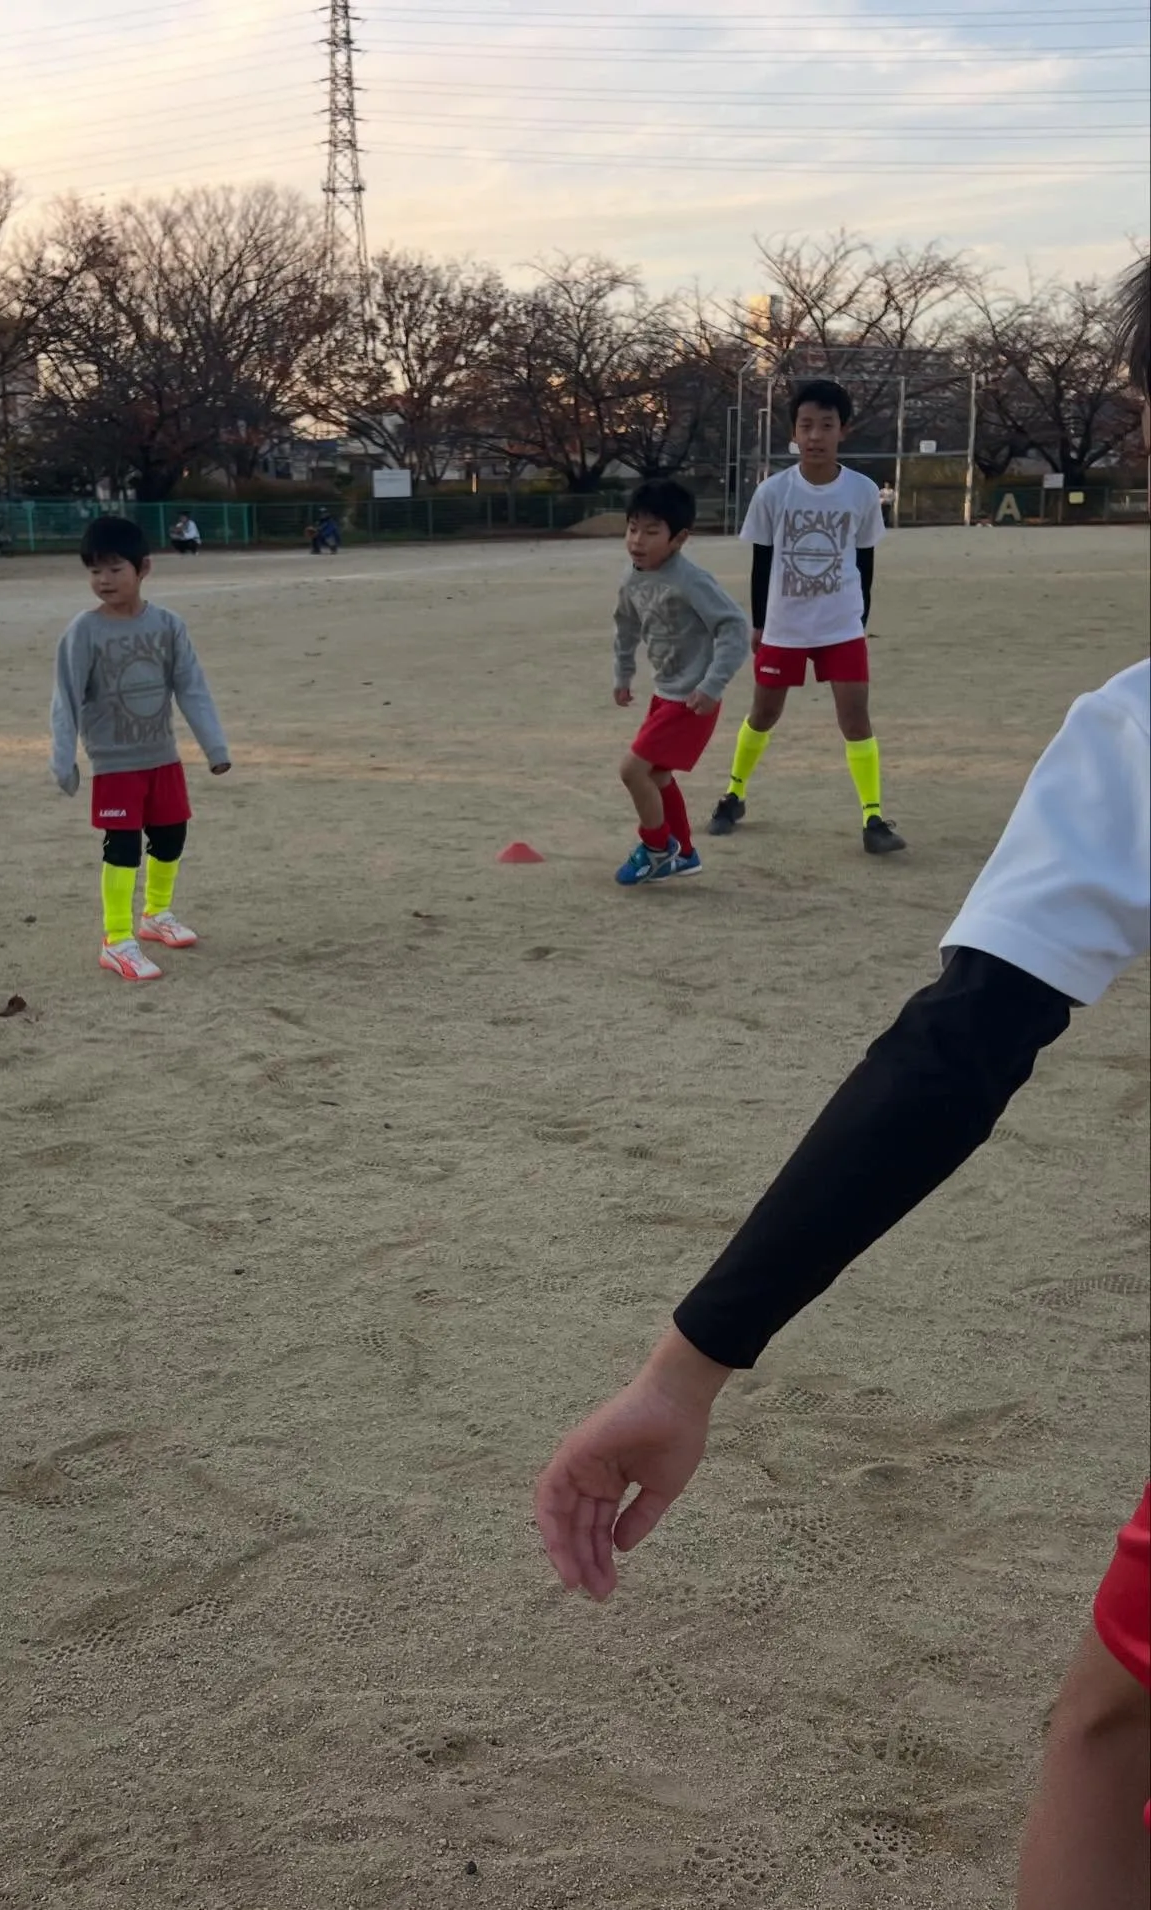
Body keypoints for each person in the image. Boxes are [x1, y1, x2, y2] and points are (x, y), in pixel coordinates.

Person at [537, 257, 1151, 1910]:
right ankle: (751, 796)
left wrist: (686, 1364)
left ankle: (832, 798)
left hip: (853, 655)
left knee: (1112, 1736)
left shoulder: (1138, 733)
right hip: (784, 649)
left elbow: (959, 1047)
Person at [708, 379, 903, 855]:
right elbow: (761, 562)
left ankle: (873, 817)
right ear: (794, 432)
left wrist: (860, 619)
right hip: (785, 625)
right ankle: (733, 794)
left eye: (827, 425)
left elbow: (865, 560)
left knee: (855, 717)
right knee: (763, 714)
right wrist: (760, 623)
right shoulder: (773, 492)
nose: (815, 436)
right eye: (806, 425)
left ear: (843, 431)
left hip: (841, 625)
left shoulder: (861, 491)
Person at [49, 514, 232, 983]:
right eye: (95, 570)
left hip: (162, 758)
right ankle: (116, 939)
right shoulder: (84, 631)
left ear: (143, 567)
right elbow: (65, 697)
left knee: (171, 837)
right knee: (123, 848)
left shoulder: (168, 626)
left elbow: (191, 687)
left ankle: (156, 914)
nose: (104, 580)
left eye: (115, 568)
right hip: (115, 764)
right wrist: (63, 758)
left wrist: (215, 747)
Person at [610, 479, 750, 884]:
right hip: (665, 694)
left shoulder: (690, 579)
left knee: (632, 771)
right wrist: (623, 673)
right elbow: (625, 627)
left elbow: (733, 627)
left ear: (679, 538)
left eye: (652, 532)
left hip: (692, 699)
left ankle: (657, 849)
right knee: (656, 776)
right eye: (633, 528)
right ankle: (685, 853)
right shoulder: (632, 577)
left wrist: (712, 685)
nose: (637, 540)